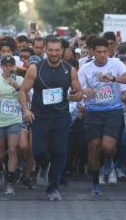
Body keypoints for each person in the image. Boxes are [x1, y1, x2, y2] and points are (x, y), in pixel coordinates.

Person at [19, 36, 84, 201]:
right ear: (46, 50)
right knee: (38, 151)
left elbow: (79, 91)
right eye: (51, 50)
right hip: (40, 116)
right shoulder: (35, 69)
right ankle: (43, 165)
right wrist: (26, 109)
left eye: (57, 50)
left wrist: (76, 96)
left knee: (60, 152)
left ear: (62, 51)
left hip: (61, 116)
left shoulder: (70, 70)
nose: (54, 53)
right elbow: (23, 91)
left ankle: (53, 186)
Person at [78, 38, 126, 195]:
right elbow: (76, 89)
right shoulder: (86, 68)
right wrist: (84, 92)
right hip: (93, 112)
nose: (102, 55)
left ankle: (109, 160)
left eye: (105, 52)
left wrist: (113, 78)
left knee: (107, 147)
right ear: (92, 52)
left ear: (109, 51)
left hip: (112, 110)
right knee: (94, 148)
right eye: (99, 52)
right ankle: (96, 182)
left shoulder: (116, 64)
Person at [0, 55, 24, 194]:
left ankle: (10, 182)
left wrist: (17, 87)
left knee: (12, 150)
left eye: (10, 65)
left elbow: (28, 98)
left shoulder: (20, 80)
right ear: (1, 66)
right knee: (0, 155)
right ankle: (0, 168)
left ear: (14, 66)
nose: (8, 68)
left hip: (15, 119)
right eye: (5, 65)